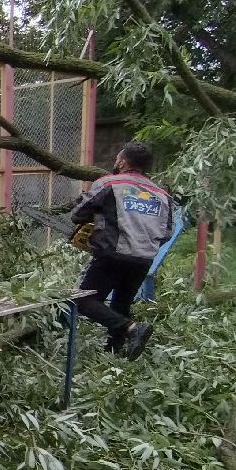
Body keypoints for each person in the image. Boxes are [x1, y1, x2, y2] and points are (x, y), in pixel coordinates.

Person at [69, 140, 174, 360]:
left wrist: (98, 221)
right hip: (144, 258)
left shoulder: (109, 183)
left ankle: (132, 328)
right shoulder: (162, 195)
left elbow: (78, 214)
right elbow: (166, 233)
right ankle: (115, 353)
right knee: (121, 303)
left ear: (123, 161)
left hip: (113, 254)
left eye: (118, 157)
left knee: (85, 301)